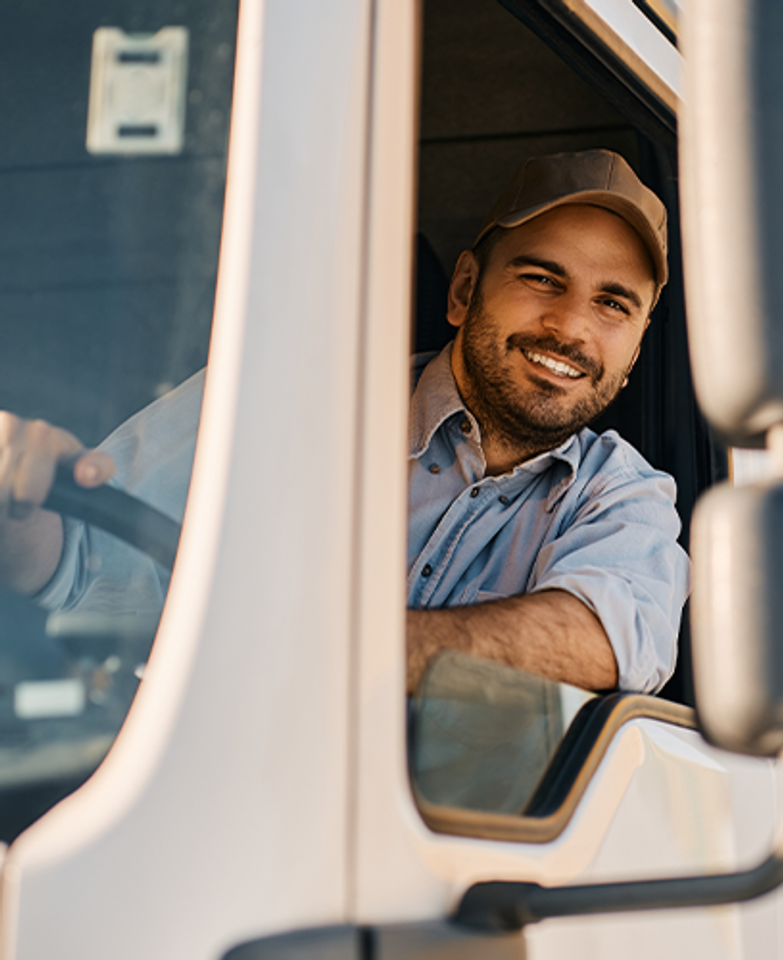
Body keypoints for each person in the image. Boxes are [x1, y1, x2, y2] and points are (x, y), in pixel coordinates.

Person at [0, 149, 689, 695]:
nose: (569, 327)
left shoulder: (626, 497)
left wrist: (310, 659)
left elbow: (605, 637)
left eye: (613, 304)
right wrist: (20, 505)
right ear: (463, 290)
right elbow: (88, 563)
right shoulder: (280, 399)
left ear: (632, 355)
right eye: (541, 278)